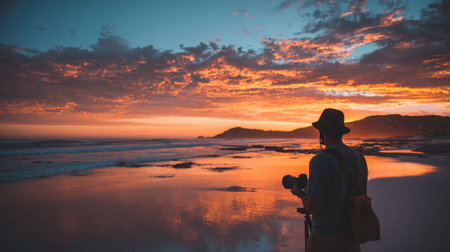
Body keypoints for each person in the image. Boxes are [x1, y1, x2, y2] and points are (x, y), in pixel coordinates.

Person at [291, 108, 367, 252]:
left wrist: (301, 195)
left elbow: (316, 209)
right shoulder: (359, 158)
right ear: (341, 133)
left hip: (326, 239)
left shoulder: (320, 160)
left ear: (322, 132)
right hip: (351, 237)